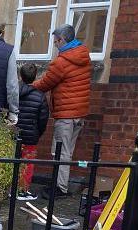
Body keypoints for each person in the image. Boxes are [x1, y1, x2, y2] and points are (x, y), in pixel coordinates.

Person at [33, 24, 91, 198]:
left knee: (60, 152)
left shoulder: (62, 61)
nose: (55, 44)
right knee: (67, 151)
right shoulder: (83, 55)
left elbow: (46, 83)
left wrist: (28, 86)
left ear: (62, 40)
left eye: (55, 41)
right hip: (80, 113)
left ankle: (60, 189)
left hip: (66, 114)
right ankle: (60, 183)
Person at [14, 63, 49, 202]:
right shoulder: (40, 96)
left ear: (20, 76)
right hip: (31, 137)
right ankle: (22, 191)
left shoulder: (13, 93)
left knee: (13, 162)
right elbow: (43, 120)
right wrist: (37, 133)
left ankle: (11, 189)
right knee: (27, 164)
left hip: (14, 134)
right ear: (35, 77)